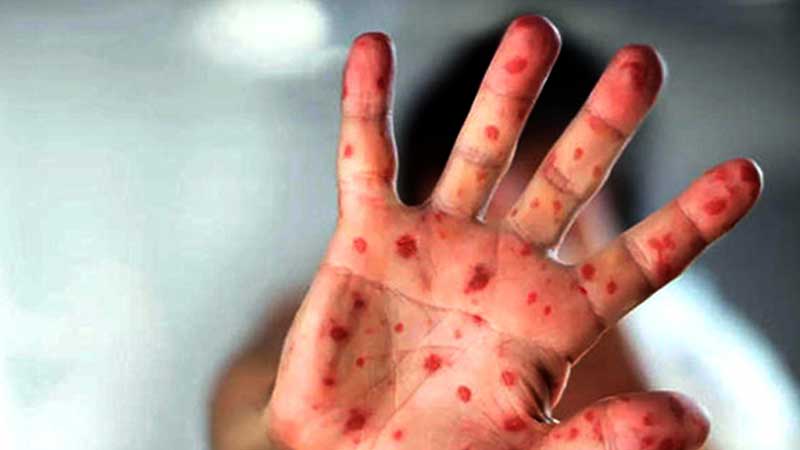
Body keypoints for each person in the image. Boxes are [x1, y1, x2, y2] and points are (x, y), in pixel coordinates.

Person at [211, 15, 769, 450]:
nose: (509, 213)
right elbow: (239, 414)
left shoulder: (691, 336)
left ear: (615, 206)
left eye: (541, 173)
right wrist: (294, 437)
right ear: (424, 183)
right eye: (492, 180)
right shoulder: (341, 309)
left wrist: (616, 374)